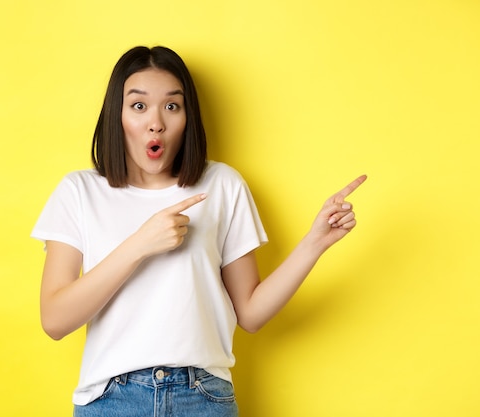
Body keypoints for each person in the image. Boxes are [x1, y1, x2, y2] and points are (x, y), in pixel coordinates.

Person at [31, 45, 366, 417]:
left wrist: (314, 243)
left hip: (203, 398)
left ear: (188, 117)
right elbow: (55, 320)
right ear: (117, 115)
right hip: (111, 400)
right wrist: (140, 244)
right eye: (139, 106)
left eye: (172, 106)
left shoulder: (222, 184)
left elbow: (251, 314)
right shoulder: (79, 191)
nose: (156, 122)